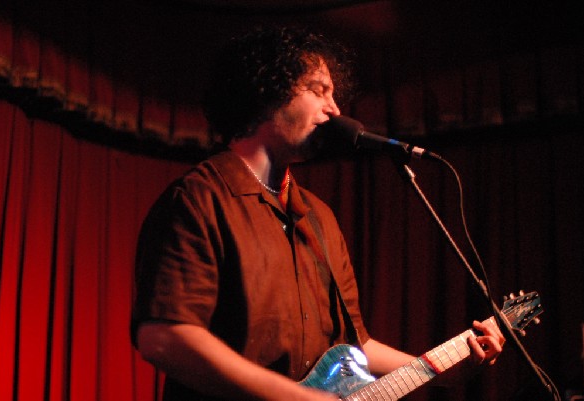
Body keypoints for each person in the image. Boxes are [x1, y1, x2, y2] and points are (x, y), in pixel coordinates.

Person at [130, 25, 505, 401]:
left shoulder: (318, 217)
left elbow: (357, 345)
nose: (334, 109)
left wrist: (435, 371)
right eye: (317, 89)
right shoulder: (199, 199)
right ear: (267, 90)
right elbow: (163, 337)